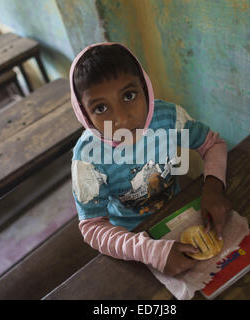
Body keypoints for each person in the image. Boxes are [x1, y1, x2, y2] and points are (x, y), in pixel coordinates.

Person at [69, 42, 232, 276]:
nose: (122, 119)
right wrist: (150, 251)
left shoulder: (167, 119)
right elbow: (93, 227)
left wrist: (214, 189)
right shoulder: (88, 158)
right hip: (130, 239)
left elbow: (212, 144)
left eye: (129, 95)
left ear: (145, 88)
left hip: (178, 211)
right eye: (101, 107)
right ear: (84, 113)